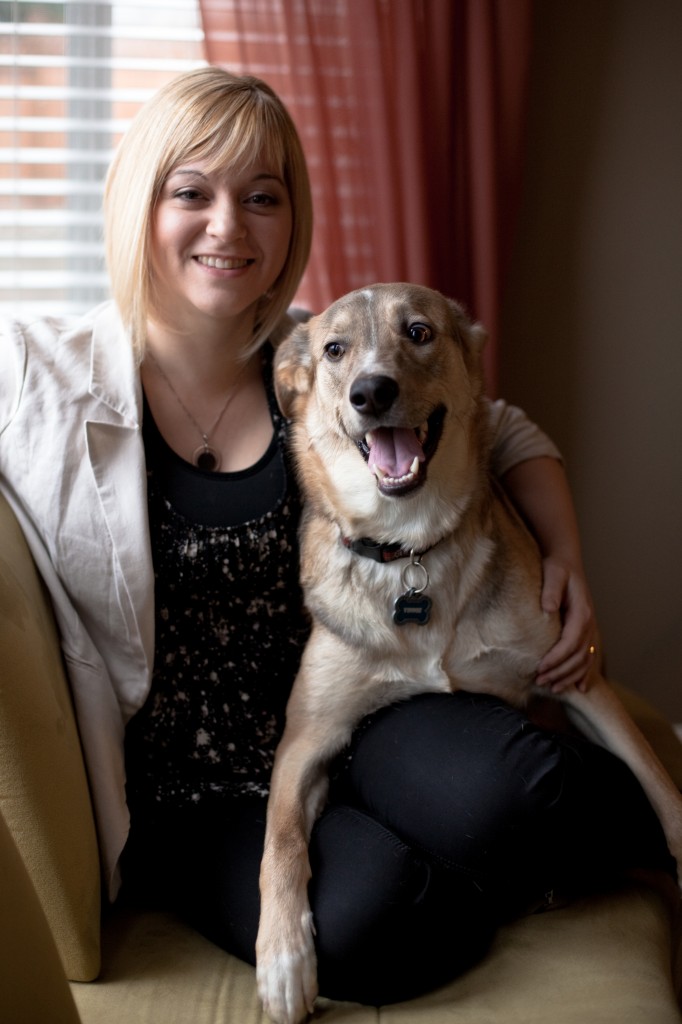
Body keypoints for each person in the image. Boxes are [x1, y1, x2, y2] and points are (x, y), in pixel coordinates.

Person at [0, 66, 673, 1007]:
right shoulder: (45, 377)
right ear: (137, 204)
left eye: (262, 197)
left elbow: (500, 425)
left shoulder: (319, 356)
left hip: (364, 707)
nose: (228, 225)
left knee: (517, 788)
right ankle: (491, 877)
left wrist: (565, 558)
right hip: (200, 787)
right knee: (374, 919)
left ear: (291, 221)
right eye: (190, 192)